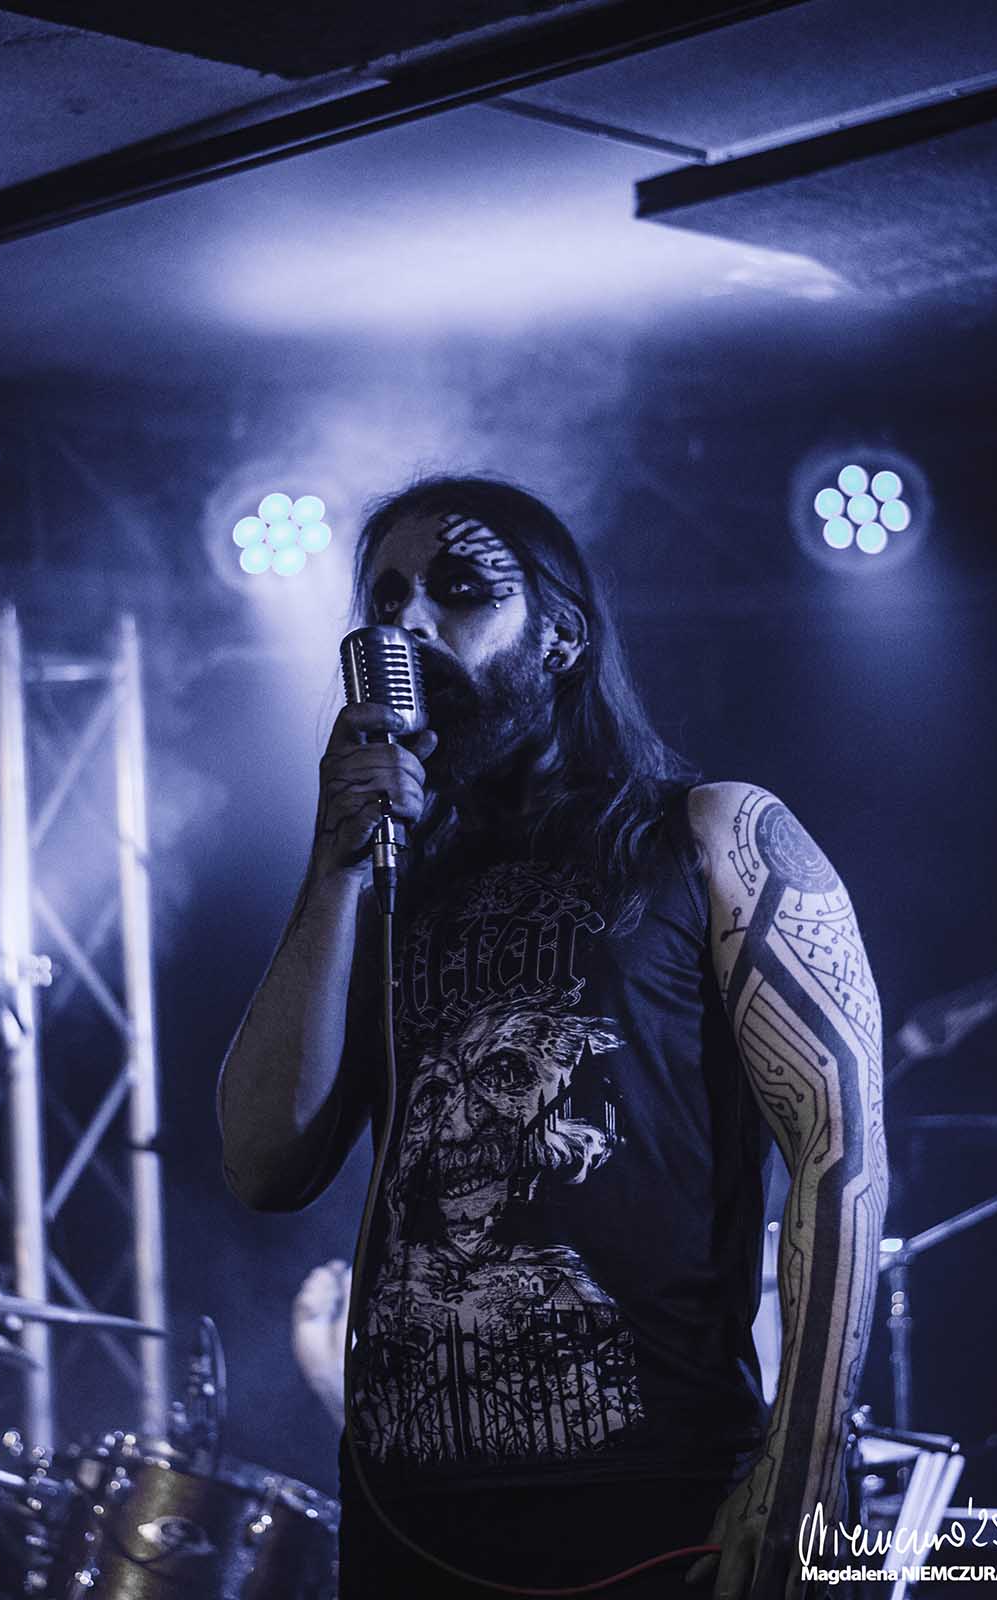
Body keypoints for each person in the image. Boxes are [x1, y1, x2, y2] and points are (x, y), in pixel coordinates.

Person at [218, 477, 888, 1600]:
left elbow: (839, 1150)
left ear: (562, 637)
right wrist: (333, 867)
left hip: (653, 1498)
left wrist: (804, 1470)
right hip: (406, 1520)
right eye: (384, 599)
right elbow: (261, 1162)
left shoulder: (708, 834)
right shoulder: (386, 885)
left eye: (460, 590)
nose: (408, 622)